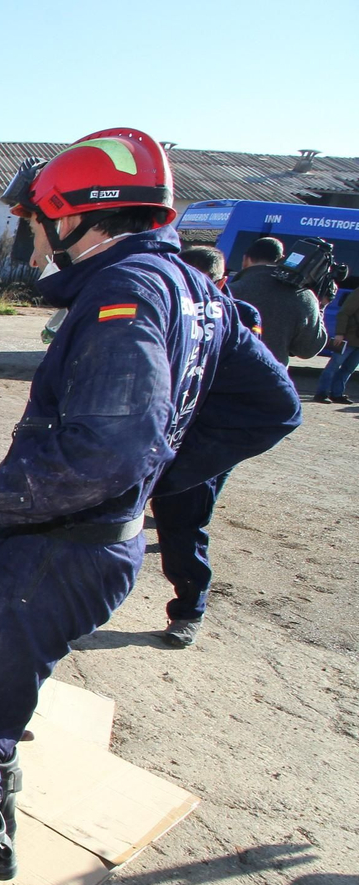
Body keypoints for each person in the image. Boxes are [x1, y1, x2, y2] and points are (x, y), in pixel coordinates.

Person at [0, 129, 301, 885]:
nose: (30, 238)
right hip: (98, 541)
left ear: (75, 217)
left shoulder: (125, 292)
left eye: (36, 221)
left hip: (55, 548)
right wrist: (157, 472)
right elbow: (272, 404)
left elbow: (101, 452)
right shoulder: (194, 286)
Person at [149, 245, 273, 648]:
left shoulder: (240, 317)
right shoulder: (168, 309)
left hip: (202, 443)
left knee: (182, 526)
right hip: (158, 435)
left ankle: (188, 610)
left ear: (221, 282)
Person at [230, 236, 328, 366]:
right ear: (282, 259)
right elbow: (307, 350)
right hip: (271, 379)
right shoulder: (304, 297)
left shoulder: (228, 292)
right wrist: (320, 308)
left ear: (245, 259)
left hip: (225, 377)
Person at [312, 282, 359, 404]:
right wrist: (340, 333)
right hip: (349, 337)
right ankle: (321, 393)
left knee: (348, 369)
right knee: (334, 366)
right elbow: (344, 313)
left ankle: (337, 394)